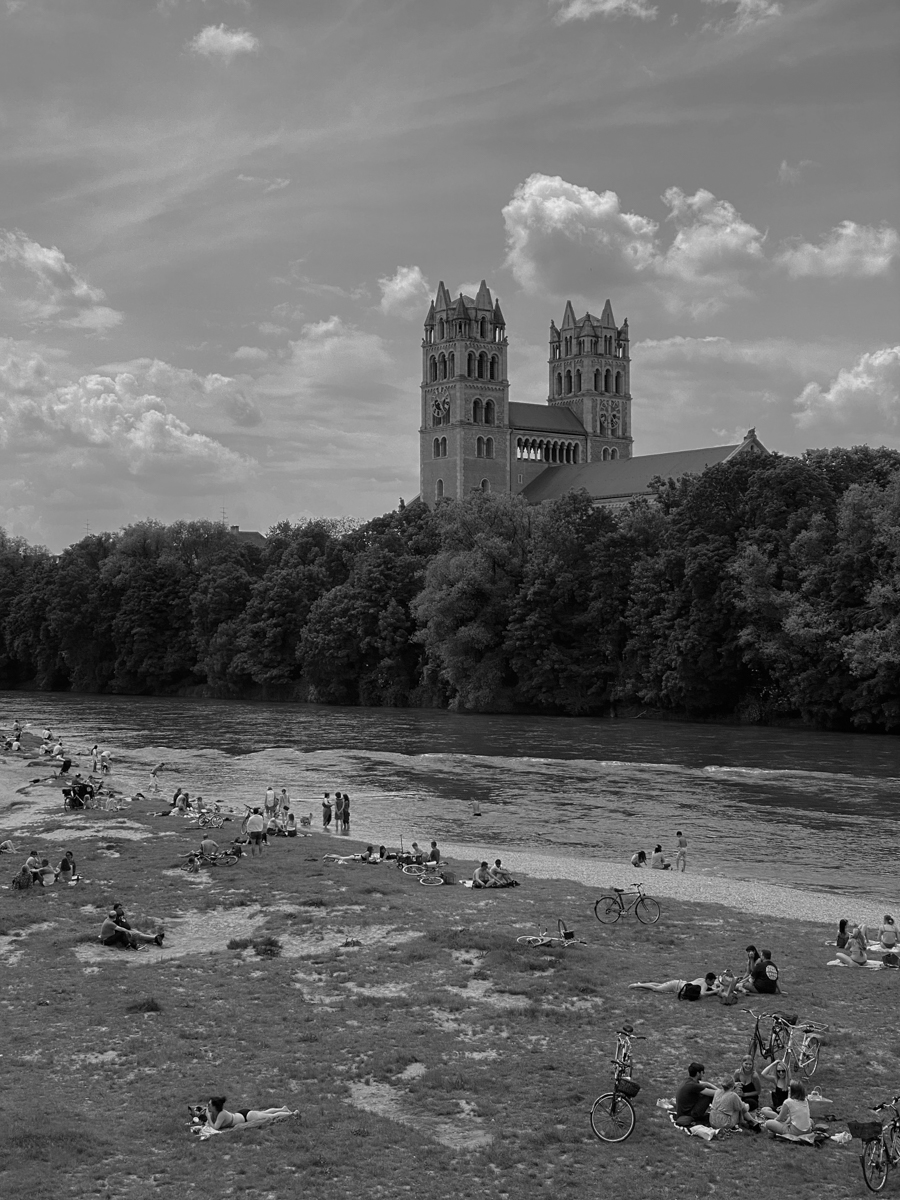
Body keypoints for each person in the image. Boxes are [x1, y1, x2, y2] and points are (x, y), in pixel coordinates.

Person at [205, 1096, 295, 1131]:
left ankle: (292, 1114)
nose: (207, 1106)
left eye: (209, 1105)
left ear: (214, 1107)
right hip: (241, 1114)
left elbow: (216, 1127)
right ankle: (283, 1109)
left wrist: (208, 1116)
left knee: (271, 1116)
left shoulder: (221, 1114)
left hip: (247, 1116)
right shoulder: (215, 1113)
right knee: (264, 1112)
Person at [674, 1062, 716, 1126]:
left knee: (704, 1093)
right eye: (702, 1072)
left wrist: (710, 1085)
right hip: (689, 1114)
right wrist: (726, 1092)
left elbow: (706, 1084)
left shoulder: (688, 1081)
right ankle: (719, 1115)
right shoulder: (694, 1085)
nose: (703, 1074)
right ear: (698, 1073)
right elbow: (715, 1093)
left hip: (682, 1112)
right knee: (708, 1096)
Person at [629, 972, 720, 996]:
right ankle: (638, 985)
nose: (712, 984)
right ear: (708, 980)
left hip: (677, 983)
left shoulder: (701, 979)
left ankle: (641, 984)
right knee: (656, 989)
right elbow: (703, 993)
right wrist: (715, 992)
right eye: (711, 982)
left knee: (659, 985)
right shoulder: (704, 983)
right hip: (676, 986)